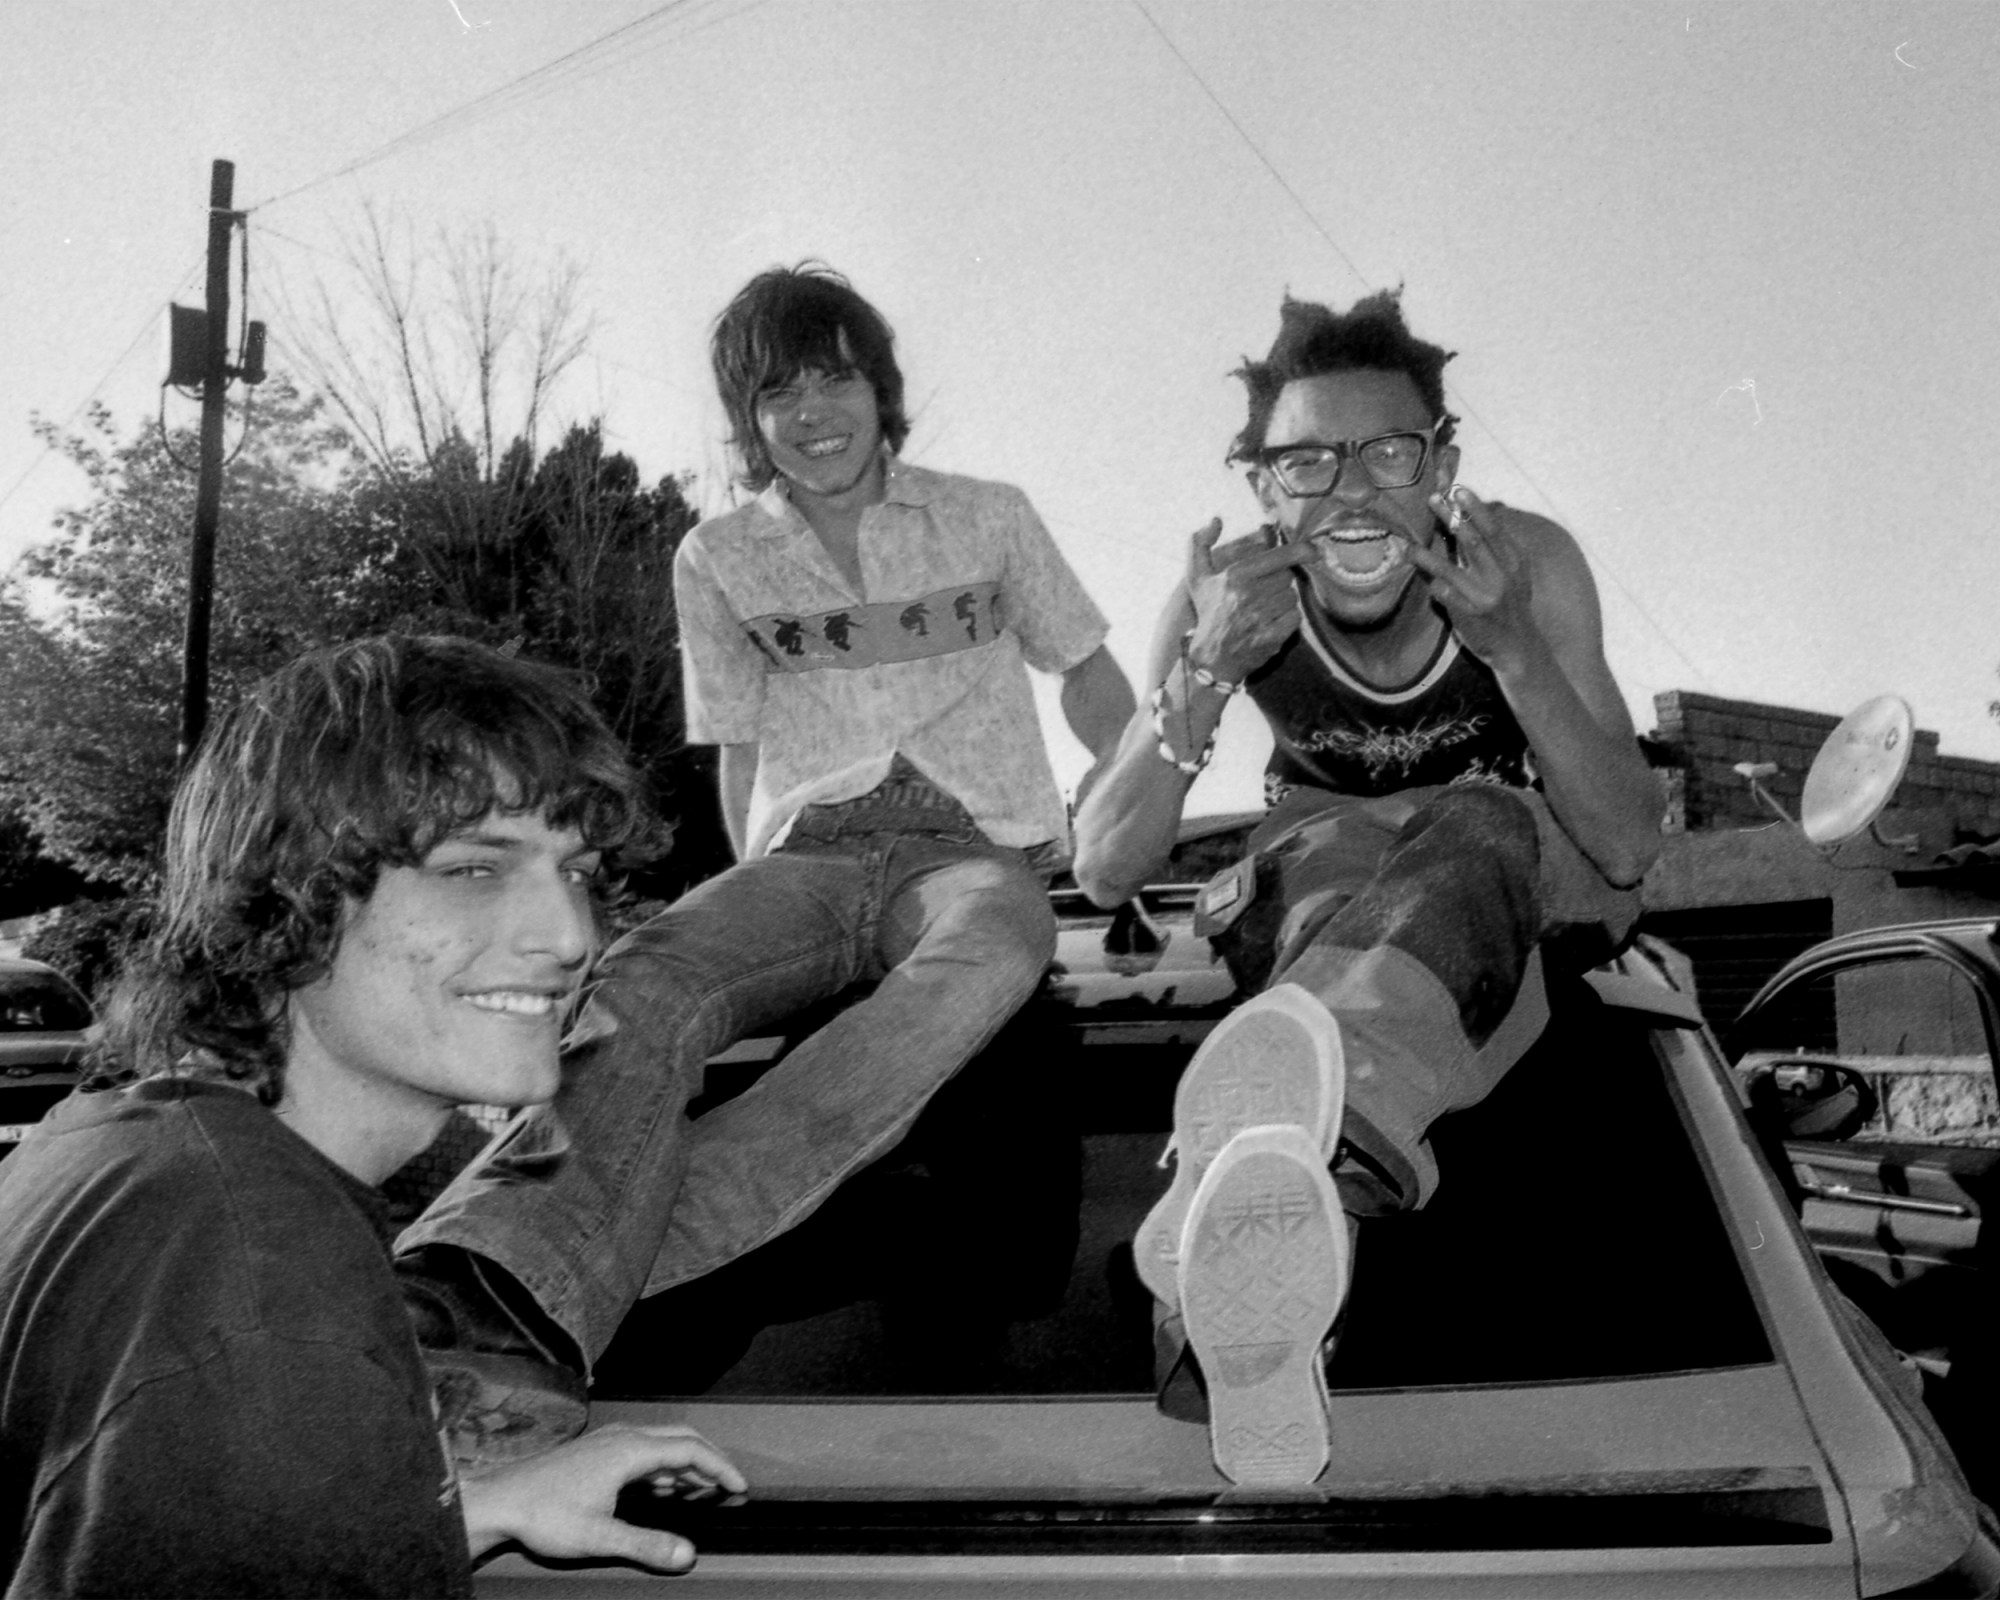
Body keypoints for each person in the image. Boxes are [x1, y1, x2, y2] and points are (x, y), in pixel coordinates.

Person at [399, 262, 1134, 1445]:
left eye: (836, 378)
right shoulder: (715, 557)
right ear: (748, 418)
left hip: (968, 848)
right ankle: (473, 1279)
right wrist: (745, 896)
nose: (813, 412)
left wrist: (1130, 785)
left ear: (881, 391)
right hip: (810, 854)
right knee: (646, 973)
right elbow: (736, 748)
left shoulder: (988, 514)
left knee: (992, 949)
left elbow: (1090, 677)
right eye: (780, 392)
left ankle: (577, 1267)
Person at [0, 635, 747, 1598]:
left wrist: (446, 1515)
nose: (571, 938)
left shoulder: (120, 1146)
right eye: (474, 869)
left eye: (576, 871)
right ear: (288, 896)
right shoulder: (265, 1282)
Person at [1071, 290, 1662, 1486]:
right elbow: (1101, 863)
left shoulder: (1526, 567)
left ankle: (1226, 1214)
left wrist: (1512, 652)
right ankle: (1285, 1262)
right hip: (1321, 878)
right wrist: (1204, 668)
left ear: (1440, 467)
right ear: (1262, 489)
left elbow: (1624, 845)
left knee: (1479, 820)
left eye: (1387, 453)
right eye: (1305, 462)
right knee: (1329, 866)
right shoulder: (1220, 606)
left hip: (1495, 873)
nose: (1348, 492)